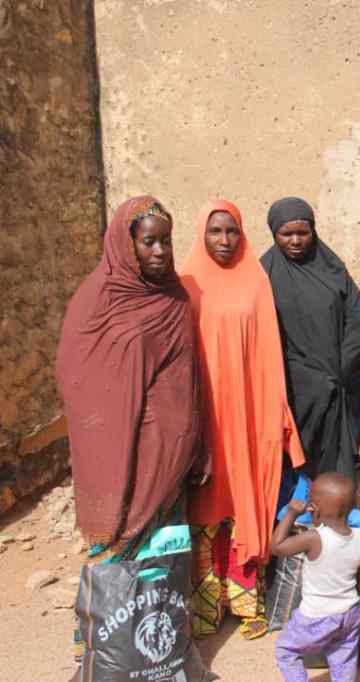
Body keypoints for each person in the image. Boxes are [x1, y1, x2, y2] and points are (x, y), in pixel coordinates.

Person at [56, 195, 204, 660]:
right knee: (120, 534)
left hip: (171, 450)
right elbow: (78, 378)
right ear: (126, 244)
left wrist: (194, 440)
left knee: (162, 546)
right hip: (123, 447)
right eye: (149, 242)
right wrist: (121, 423)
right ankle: (100, 639)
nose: (160, 251)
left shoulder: (174, 297)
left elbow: (189, 376)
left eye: (166, 241)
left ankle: (157, 640)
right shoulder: (98, 299)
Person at [180, 200, 306, 639]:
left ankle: (247, 601)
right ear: (202, 233)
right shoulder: (187, 284)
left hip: (249, 415)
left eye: (232, 231)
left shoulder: (256, 281)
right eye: (215, 231)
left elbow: (270, 353)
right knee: (206, 508)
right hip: (207, 418)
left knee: (245, 504)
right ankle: (206, 607)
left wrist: (275, 413)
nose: (224, 240)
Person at [261, 197, 360, 478]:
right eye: (287, 234)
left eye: (303, 233)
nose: (296, 241)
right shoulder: (263, 275)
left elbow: (358, 318)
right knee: (293, 473)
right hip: (294, 393)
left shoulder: (332, 269)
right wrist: (308, 378)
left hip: (338, 388)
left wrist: (340, 371)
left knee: (336, 474)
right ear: (274, 233)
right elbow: (261, 336)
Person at [272, 473, 360, 682]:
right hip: (350, 613)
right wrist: (354, 593)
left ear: (315, 510)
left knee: (286, 650)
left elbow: (277, 547)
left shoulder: (315, 538)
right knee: (343, 657)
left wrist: (291, 513)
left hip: (317, 615)